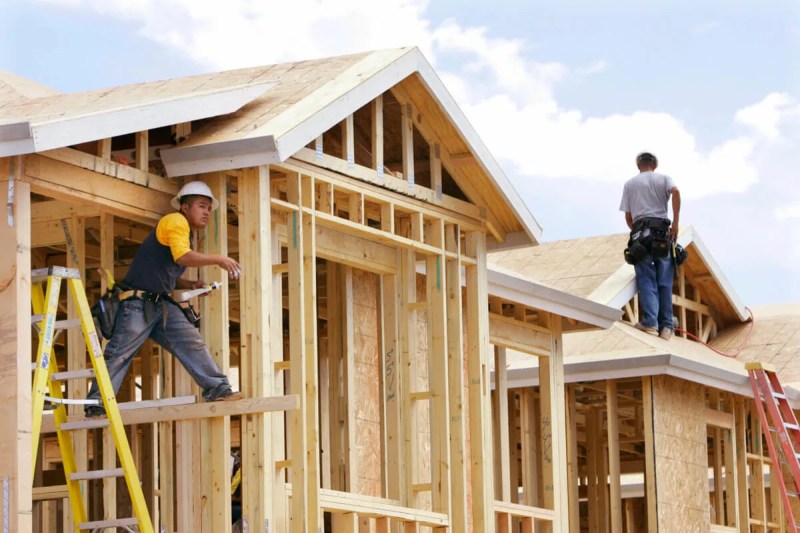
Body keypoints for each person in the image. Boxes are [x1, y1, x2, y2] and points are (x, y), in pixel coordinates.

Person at [85, 181, 243, 417]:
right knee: (120, 352)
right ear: (185, 207)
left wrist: (190, 285)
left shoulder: (184, 233)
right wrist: (220, 259)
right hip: (137, 304)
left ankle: (217, 388)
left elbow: (163, 271)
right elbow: (182, 257)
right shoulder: (175, 221)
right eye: (202, 206)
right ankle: (96, 402)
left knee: (191, 341)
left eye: (209, 208)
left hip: (160, 304)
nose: (207, 212)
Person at [619, 152, 681, 340]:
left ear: (638, 165)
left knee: (646, 278)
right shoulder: (663, 179)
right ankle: (667, 327)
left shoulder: (630, 184)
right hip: (662, 234)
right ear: (655, 164)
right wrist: (676, 224)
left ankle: (650, 323)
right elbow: (676, 192)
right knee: (664, 281)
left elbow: (628, 217)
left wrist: (637, 231)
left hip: (641, 235)